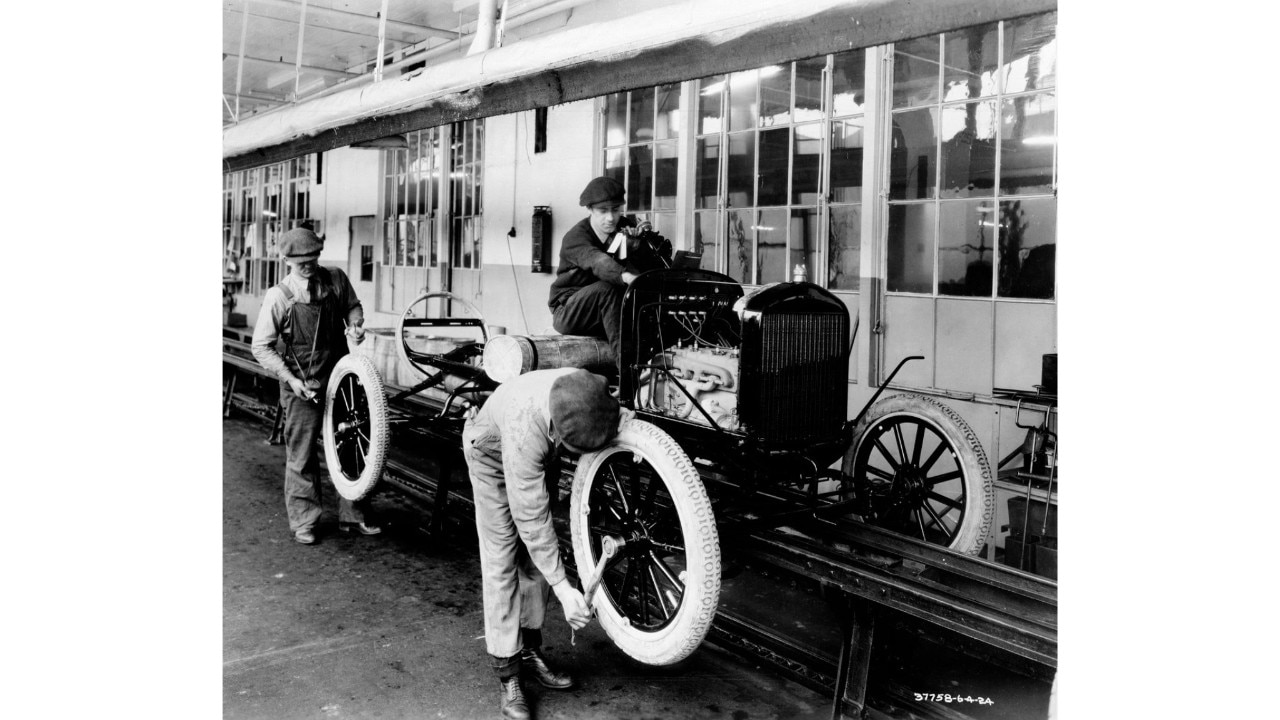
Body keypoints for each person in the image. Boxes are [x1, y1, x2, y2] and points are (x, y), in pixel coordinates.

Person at [462, 368, 621, 720]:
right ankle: (508, 674)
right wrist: (564, 590)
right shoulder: (526, 430)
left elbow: (618, 418)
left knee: (536, 562)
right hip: (490, 454)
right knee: (503, 557)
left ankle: (529, 651)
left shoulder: (584, 389)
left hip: (539, 454)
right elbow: (531, 521)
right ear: (557, 433)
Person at [251, 227, 381, 545]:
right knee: (302, 453)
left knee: (351, 444)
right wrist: (291, 380)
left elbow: (353, 306)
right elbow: (260, 347)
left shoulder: (335, 279)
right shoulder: (279, 296)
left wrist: (355, 326)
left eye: (313, 259)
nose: (309, 266)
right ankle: (304, 520)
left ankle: (353, 515)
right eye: (301, 263)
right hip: (301, 384)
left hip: (340, 378)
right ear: (287, 261)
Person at [547, 176, 671, 370]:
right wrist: (627, 276)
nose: (611, 218)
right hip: (569, 310)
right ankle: (628, 374)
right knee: (608, 289)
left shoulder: (623, 227)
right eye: (603, 211)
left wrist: (639, 246)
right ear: (590, 209)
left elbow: (648, 266)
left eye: (615, 209)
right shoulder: (576, 237)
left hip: (604, 311)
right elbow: (598, 262)